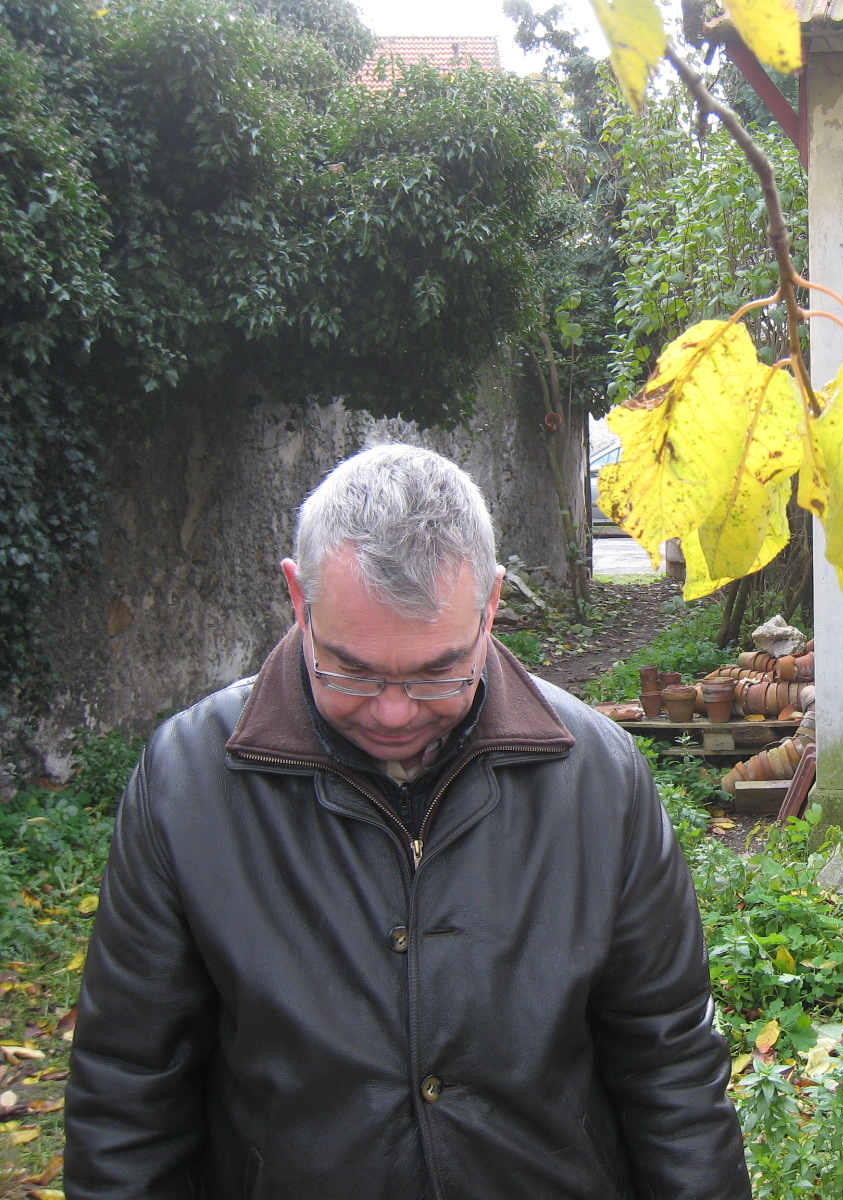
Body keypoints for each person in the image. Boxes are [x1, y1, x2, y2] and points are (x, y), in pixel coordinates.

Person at [65, 444, 751, 1199]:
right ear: (298, 599)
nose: (393, 714)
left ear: (492, 605)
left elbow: (671, 1066)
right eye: (352, 671)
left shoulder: (598, 775)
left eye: (437, 672)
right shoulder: (188, 781)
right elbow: (128, 1096)